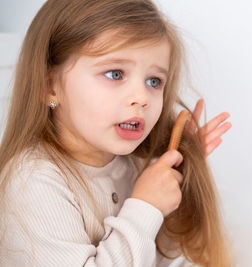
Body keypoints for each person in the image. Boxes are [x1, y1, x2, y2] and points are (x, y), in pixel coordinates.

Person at [0, 0, 234, 266]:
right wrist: (146, 207)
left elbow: (151, 259)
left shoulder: (131, 166)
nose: (142, 97)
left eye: (154, 81)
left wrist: (175, 185)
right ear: (50, 87)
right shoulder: (33, 182)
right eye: (115, 73)